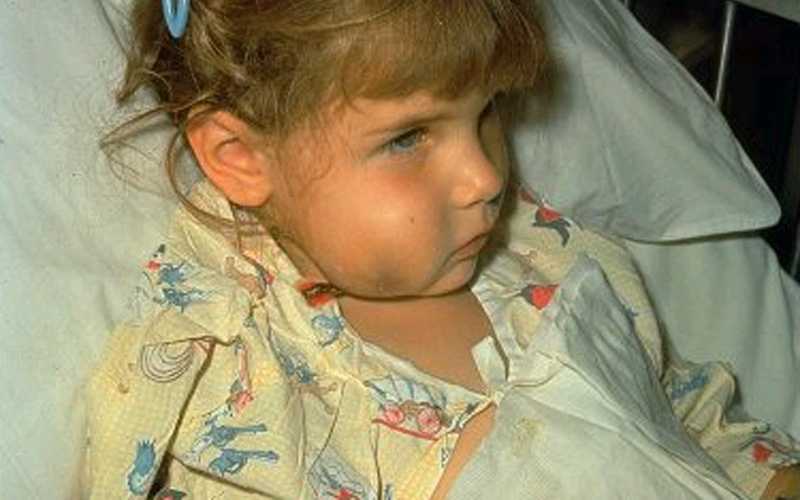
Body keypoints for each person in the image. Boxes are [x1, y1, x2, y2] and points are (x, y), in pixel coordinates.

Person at [86, 0, 800, 498]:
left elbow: (683, 420)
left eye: (489, 111)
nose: (486, 177)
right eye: (408, 138)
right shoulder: (233, 387)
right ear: (240, 157)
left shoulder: (550, 256)